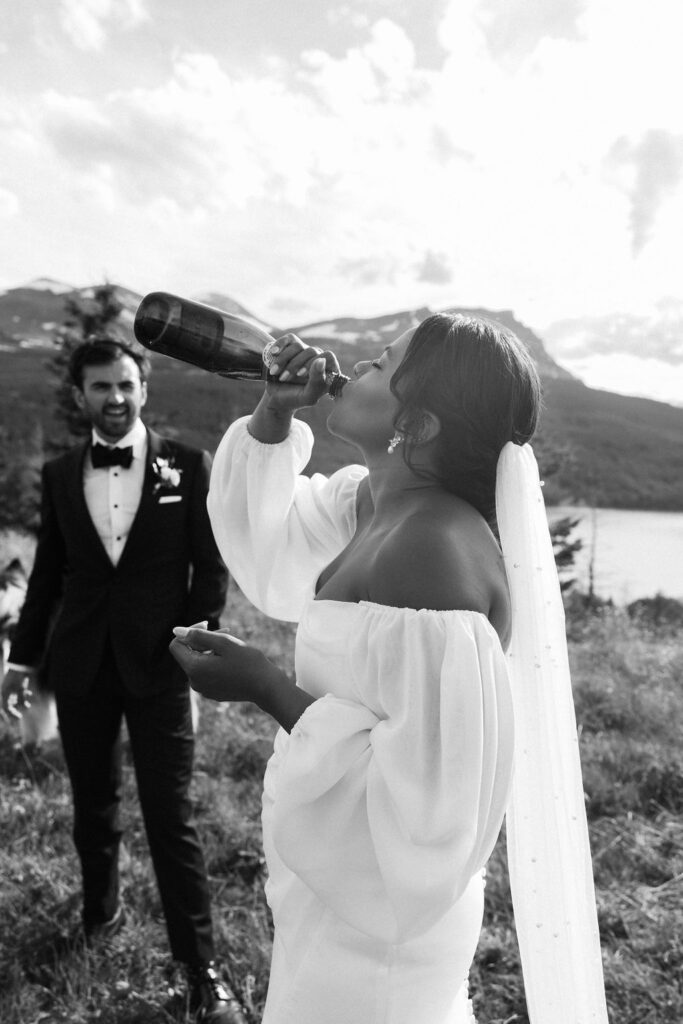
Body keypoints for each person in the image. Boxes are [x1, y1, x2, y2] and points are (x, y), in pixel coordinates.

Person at [170, 315, 609, 1024]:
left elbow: (423, 815)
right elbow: (272, 554)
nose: (349, 368)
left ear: (420, 424)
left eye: (377, 365)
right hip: (338, 882)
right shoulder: (373, 503)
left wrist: (262, 686)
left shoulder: (430, 552)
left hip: (380, 921)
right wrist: (275, 410)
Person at [1, 338, 246, 1024]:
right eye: (101, 387)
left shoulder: (188, 465)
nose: (115, 398)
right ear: (80, 396)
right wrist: (21, 661)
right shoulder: (57, 474)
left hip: (159, 667)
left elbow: (210, 566)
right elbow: (48, 575)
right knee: (93, 808)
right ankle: (97, 915)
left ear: (145, 391)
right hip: (79, 664)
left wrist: (193, 640)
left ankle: (200, 966)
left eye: (126, 385)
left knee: (172, 817)